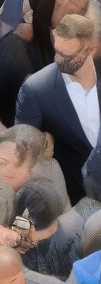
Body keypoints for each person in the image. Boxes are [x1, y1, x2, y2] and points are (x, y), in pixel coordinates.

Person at [16, 13, 101, 203]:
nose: (57, 59)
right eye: (56, 51)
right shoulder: (36, 90)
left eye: (66, 55)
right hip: (72, 199)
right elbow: (24, 150)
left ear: (90, 50)